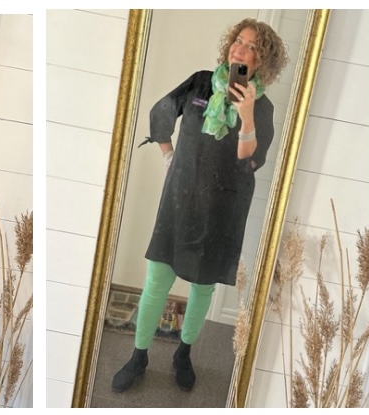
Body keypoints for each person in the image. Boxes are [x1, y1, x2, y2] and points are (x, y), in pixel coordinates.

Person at [113, 18, 287, 392]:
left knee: (203, 286)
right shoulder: (199, 83)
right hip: (180, 198)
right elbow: (161, 112)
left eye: (252, 47)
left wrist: (246, 116)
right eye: (238, 40)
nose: (240, 49)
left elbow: (250, 160)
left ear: (262, 60)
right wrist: (167, 156)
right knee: (157, 278)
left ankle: (184, 353)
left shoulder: (263, 107)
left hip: (223, 208)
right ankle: (138, 355)